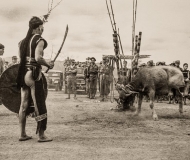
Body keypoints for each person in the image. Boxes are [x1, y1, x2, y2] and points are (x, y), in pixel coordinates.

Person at [16, 16, 54, 142]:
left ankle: (22, 134)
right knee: (39, 103)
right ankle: (42, 135)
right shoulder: (39, 40)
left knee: (23, 105)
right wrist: (48, 64)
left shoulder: (22, 41)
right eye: (42, 26)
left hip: (23, 74)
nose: (43, 28)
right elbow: (38, 58)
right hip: (33, 74)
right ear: (39, 27)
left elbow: (23, 58)